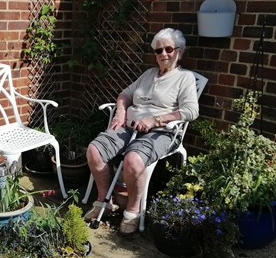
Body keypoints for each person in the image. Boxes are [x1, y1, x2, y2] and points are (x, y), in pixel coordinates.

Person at [85, 28, 199, 235]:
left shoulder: (185, 78)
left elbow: (191, 111)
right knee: (94, 150)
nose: (163, 54)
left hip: (162, 133)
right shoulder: (148, 74)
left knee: (133, 160)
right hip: (129, 126)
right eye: (158, 50)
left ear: (179, 52)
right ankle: (104, 201)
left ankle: (132, 211)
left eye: (169, 49)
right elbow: (124, 95)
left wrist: (156, 120)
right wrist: (120, 112)